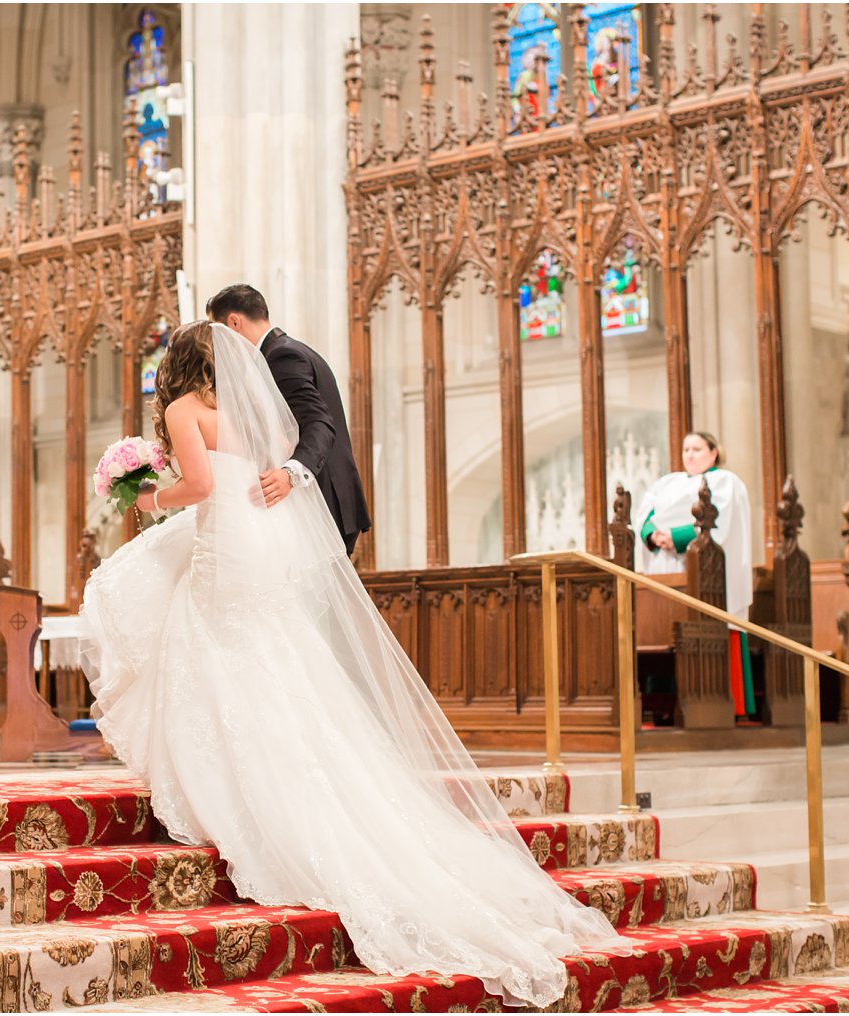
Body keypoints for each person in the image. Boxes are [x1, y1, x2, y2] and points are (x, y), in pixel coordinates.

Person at [79, 321, 630, 1008]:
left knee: (201, 635)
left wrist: (148, 499)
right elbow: (276, 460)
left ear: (180, 364)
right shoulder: (252, 413)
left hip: (225, 544)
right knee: (276, 661)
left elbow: (194, 484)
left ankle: (237, 784)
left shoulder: (183, 410)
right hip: (262, 544)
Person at [204, 284, 370, 558]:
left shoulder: (281, 357)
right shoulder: (290, 349)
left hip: (322, 498)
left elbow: (319, 422)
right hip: (329, 496)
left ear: (234, 322)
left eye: (217, 333)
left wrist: (289, 474)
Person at [636, 431, 756, 717]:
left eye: (697, 449)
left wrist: (676, 537)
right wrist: (653, 536)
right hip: (666, 566)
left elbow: (720, 521)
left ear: (714, 453)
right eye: (686, 449)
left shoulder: (726, 482)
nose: (690, 454)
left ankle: (720, 703)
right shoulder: (667, 483)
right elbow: (643, 515)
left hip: (705, 568)